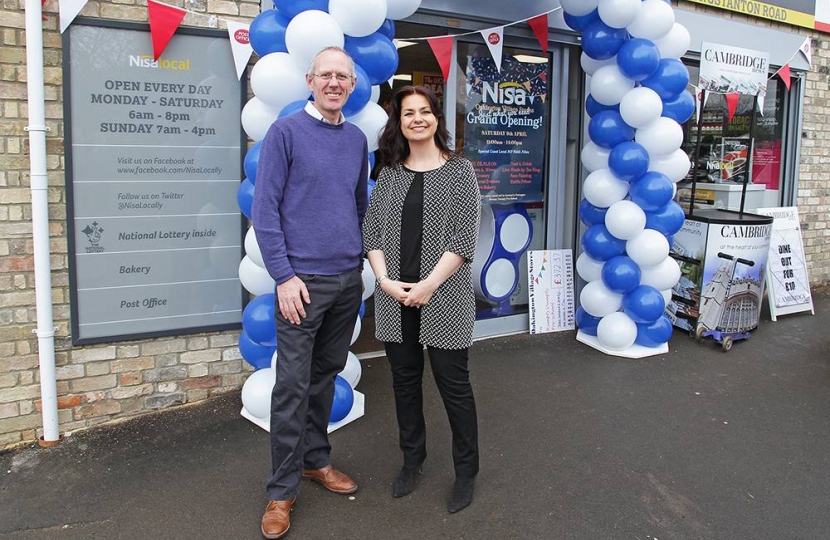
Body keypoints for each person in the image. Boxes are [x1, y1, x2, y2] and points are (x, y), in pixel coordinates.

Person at [252, 46, 368, 539]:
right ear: (309, 80)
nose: (335, 83)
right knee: (292, 387)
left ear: (352, 85)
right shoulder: (285, 133)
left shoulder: (358, 139)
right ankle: (280, 493)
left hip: (346, 282)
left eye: (343, 76)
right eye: (327, 75)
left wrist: (361, 260)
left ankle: (315, 461)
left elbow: (360, 204)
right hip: (301, 285)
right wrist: (282, 276)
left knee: (324, 378)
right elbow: (265, 209)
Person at [362, 85, 482, 513]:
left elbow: (463, 236)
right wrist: (384, 281)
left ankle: (466, 471)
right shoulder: (390, 173)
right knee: (405, 384)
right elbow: (371, 233)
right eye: (408, 112)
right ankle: (412, 460)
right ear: (400, 122)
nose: (417, 118)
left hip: (444, 296)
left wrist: (429, 285)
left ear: (436, 119)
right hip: (395, 298)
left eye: (425, 111)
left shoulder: (460, 171)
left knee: (454, 386)